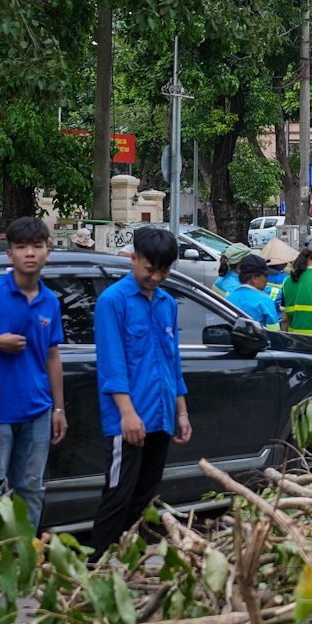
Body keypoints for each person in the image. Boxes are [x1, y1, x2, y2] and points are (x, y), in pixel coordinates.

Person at [87, 226, 192, 557]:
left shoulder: (167, 304)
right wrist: (128, 414)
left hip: (160, 415)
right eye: (150, 269)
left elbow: (172, 361)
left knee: (146, 496)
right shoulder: (112, 302)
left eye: (164, 270)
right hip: (127, 419)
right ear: (134, 259)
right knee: (118, 494)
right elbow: (112, 365)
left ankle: (128, 561)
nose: (157, 277)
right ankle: (95, 567)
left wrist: (182, 411)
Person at [0, 215, 64, 532]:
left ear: (47, 252)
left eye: (37, 246)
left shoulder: (50, 300)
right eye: (21, 246)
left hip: (38, 410)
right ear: (9, 253)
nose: (30, 253)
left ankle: (24, 566)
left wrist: (58, 408)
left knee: (31, 490)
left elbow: (53, 356)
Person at [222, 252, 282, 325]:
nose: (267, 280)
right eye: (265, 276)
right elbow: (274, 333)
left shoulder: (228, 299)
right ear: (255, 278)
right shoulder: (265, 301)